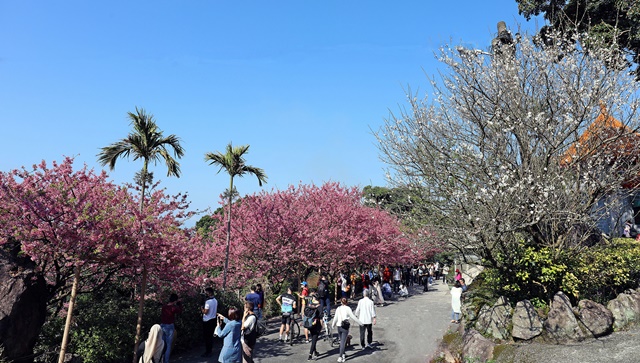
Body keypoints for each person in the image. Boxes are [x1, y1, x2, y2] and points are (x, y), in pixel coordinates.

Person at [332, 298, 363, 363]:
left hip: (339, 326)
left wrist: (333, 325)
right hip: (345, 327)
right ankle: (340, 356)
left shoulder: (338, 308)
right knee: (343, 342)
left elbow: (335, 317)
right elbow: (353, 317)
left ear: (341, 302)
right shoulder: (348, 308)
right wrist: (360, 323)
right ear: (346, 302)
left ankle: (343, 354)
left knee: (341, 341)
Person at [160, 293, 182, 363]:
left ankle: (160, 359)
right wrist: (179, 303)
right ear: (175, 300)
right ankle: (166, 361)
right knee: (168, 345)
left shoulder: (164, 307)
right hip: (169, 326)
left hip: (162, 325)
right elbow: (180, 311)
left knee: (162, 345)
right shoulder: (173, 308)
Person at [201, 287, 218, 357]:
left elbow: (206, 312)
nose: (205, 294)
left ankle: (208, 351)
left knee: (207, 337)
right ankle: (210, 350)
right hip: (213, 319)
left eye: (206, 293)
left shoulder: (208, 302)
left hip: (207, 321)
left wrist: (201, 308)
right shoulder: (215, 300)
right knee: (210, 336)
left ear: (209, 293)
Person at [305, 292, 322, 361]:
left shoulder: (309, 304)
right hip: (316, 324)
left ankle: (315, 352)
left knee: (313, 338)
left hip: (309, 323)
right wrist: (322, 325)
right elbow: (320, 316)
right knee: (314, 341)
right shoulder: (319, 306)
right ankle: (310, 355)